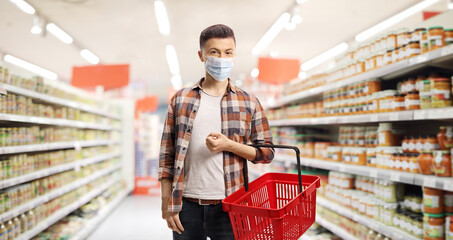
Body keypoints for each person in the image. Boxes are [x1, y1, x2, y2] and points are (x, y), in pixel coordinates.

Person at [159, 24, 274, 240]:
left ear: (234, 55)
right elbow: (167, 155)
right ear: (201, 56)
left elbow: (267, 152)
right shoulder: (181, 99)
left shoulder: (249, 102)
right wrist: (167, 201)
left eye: (227, 53)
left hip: (230, 206)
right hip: (186, 206)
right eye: (214, 52)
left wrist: (229, 145)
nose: (222, 59)